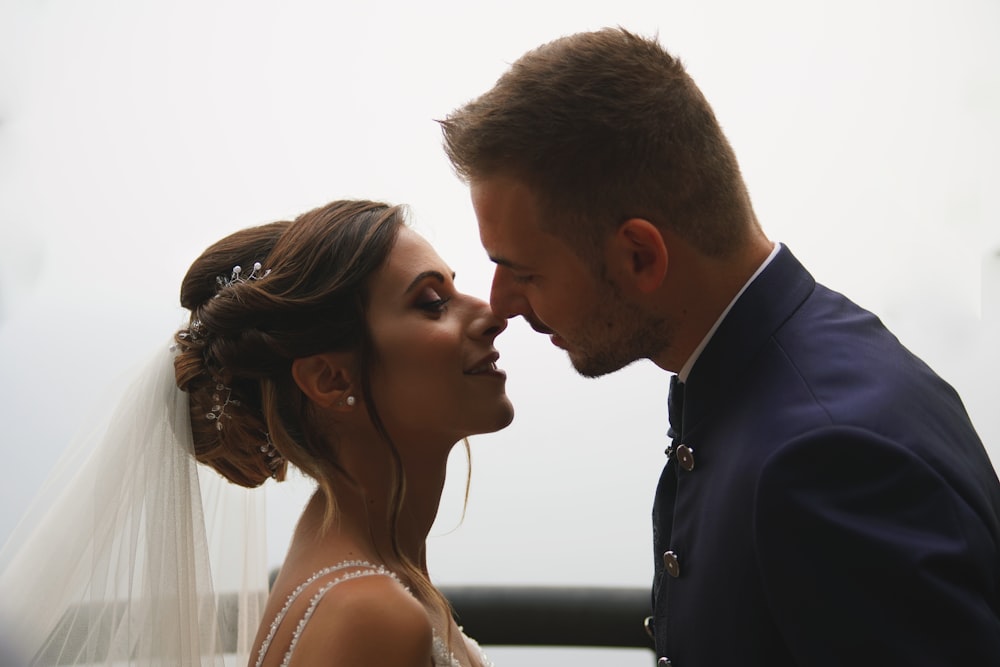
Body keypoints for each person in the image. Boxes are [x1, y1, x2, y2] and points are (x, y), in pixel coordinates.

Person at [438, 27, 1000, 666]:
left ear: (639, 255)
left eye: (525, 272)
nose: (502, 303)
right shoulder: (779, 376)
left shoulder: (826, 456)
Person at [0, 199, 510, 666]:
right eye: (431, 302)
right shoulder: (370, 616)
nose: (492, 314)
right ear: (330, 379)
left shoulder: (364, 577)